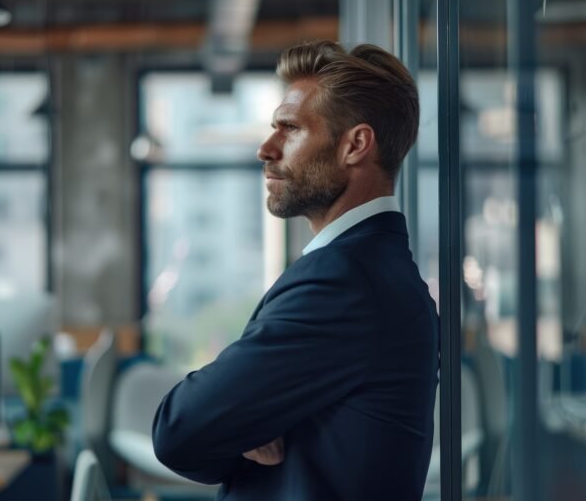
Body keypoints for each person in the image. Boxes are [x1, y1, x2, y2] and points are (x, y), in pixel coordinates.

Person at [152, 40, 439, 501]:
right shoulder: (373, 270)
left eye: (289, 128)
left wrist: (236, 428)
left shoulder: (343, 282)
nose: (266, 149)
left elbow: (179, 428)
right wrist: (243, 429)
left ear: (355, 145)